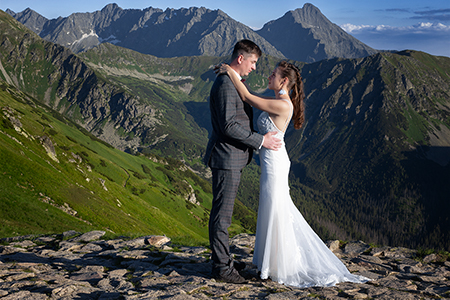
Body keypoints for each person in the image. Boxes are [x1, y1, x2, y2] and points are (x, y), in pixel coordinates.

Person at [217, 61, 370, 288]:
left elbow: (248, 98)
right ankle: (269, 262)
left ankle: (277, 264)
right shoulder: (279, 101)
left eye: (273, 74)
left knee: (276, 207)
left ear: (284, 81)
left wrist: (231, 72)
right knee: (271, 207)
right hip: (271, 161)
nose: (269, 76)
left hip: (275, 164)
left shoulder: (284, 105)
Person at [203, 40, 282, 284]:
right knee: (222, 216)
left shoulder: (231, 80)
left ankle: (223, 260)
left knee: (223, 214)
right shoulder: (226, 84)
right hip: (226, 158)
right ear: (241, 59)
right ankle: (222, 268)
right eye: (253, 62)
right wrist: (261, 141)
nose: (255, 68)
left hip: (231, 157)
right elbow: (228, 126)